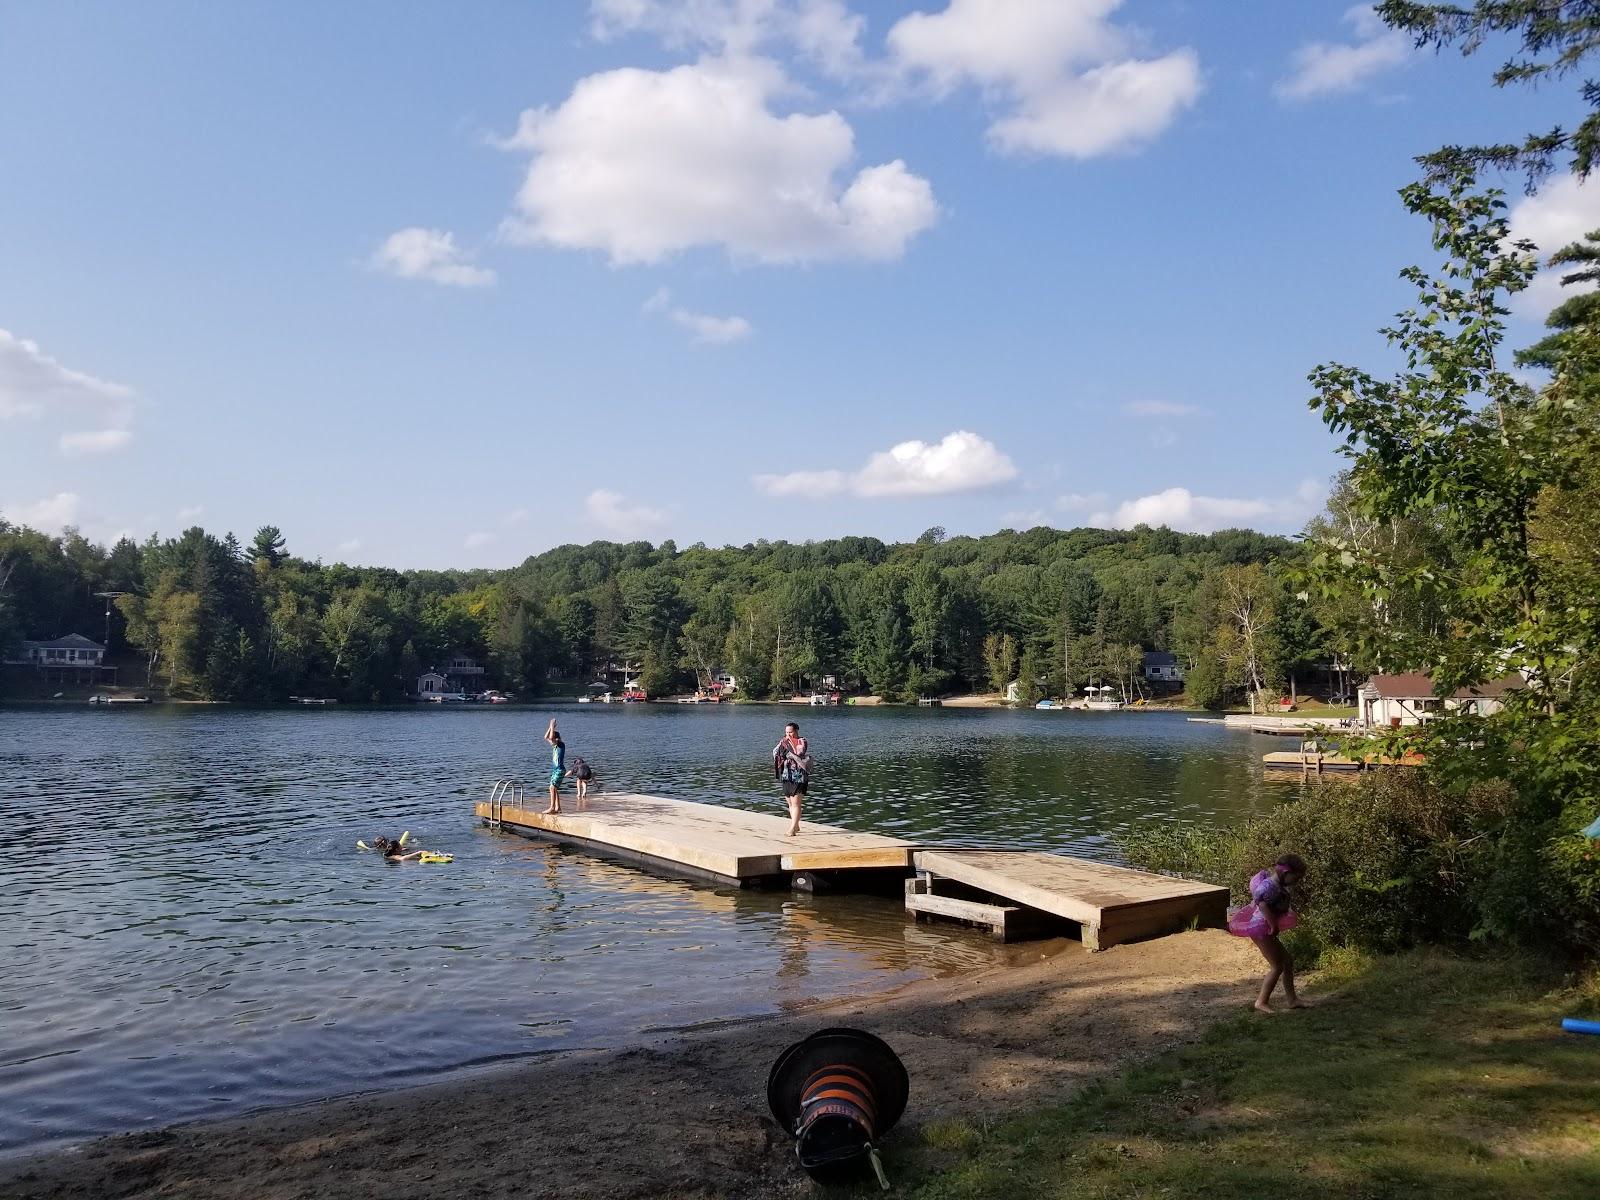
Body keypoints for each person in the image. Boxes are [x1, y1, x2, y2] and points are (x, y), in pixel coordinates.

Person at [1227, 853, 1310, 1013]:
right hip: (1261, 929)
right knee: (1277, 966)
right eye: (1296, 877)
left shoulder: (1278, 886)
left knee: (1287, 961)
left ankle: (1293, 1000)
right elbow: (1263, 905)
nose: (1297, 881)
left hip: (1266, 928)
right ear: (1286, 873)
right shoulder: (1269, 886)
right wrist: (1273, 925)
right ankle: (1261, 1001)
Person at [772, 721, 813, 837]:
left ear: (796, 731)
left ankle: (792, 828)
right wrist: (781, 751)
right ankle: (796, 825)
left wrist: (786, 750)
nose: (788, 734)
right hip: (786, 774)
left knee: (796, 803)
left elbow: (798, 753)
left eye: (790, 732)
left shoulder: (802, 741)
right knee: (790, 802)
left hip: (799, 775)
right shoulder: (783, 741)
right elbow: (775, 752)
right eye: (786, 732)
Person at [544, 718, 568, 815]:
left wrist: (552, 727)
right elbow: (546, 737)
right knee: (554, 788)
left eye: (553, 739)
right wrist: (551, 727)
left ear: (556, 739)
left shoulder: (560, 744)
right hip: (556, 770)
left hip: (559, 770)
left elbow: (550, 737)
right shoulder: (555, 745)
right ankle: (558, 807)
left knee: (552, 787)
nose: (551, 740)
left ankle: (552, 807)